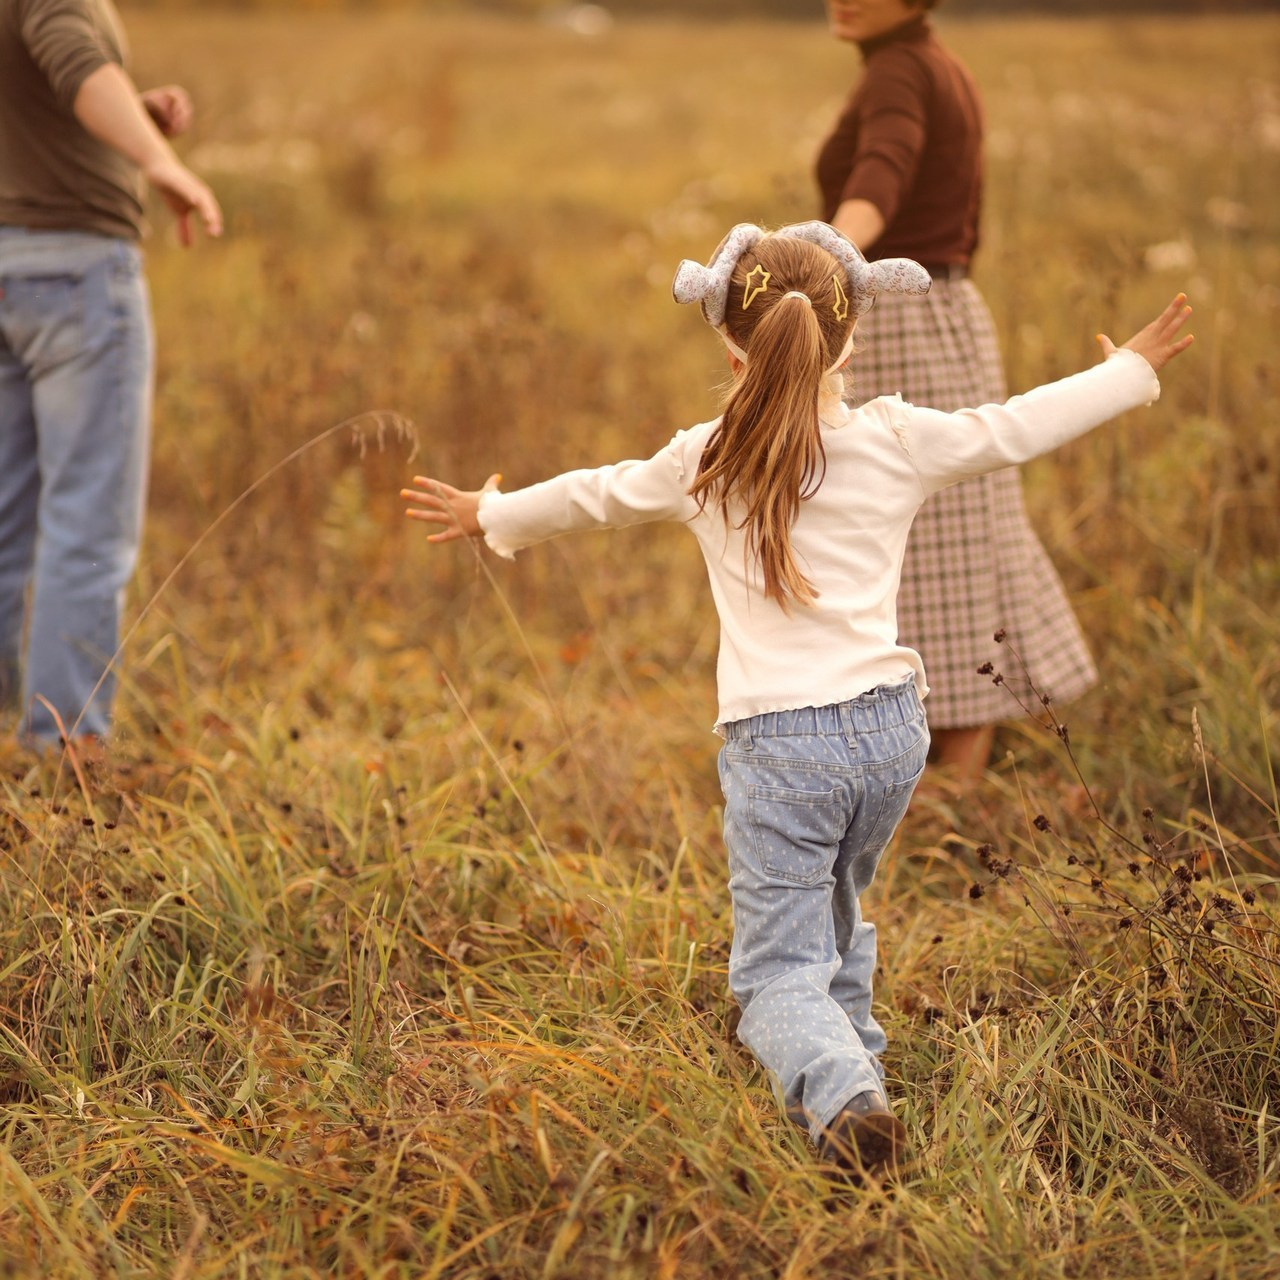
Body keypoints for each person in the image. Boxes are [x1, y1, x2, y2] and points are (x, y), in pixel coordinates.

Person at [400, 222, 1191, 1177]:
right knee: (840, 911)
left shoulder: (704, 458)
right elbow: (1014, 423)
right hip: (894, 736)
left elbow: (590, 496)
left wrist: (489, 513)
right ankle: (857, 1062)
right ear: (850, 343)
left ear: (730, 348)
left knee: (774, 970)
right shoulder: (898, 437)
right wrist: (1128, 372)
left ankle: (842, 1097)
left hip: (782, 749)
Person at [817, 0, 1096, 785]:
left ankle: (956, 779)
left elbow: (884, 168)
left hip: (909, 315)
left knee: (934, 539)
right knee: (956, 531)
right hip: (939, 311)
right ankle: (949, 768)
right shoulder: (932, 63)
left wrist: (825, 252)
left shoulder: (903, 70)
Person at [0, 0, 222, 751]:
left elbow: (42, 91)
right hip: (73, 268)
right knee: (87, 525)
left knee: (4, 518)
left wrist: (131, 110)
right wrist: (158, 160)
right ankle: (63, 751)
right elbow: (72, 59)